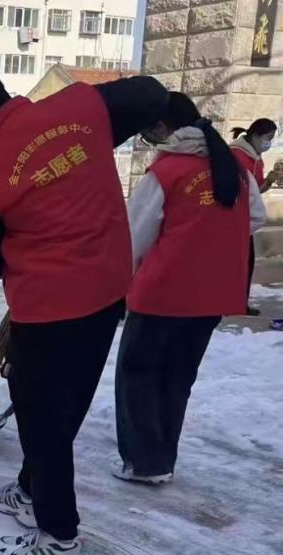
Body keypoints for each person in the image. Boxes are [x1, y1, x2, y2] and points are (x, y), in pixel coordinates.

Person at [0, 65, 169, 555]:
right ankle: (29, 489)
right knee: (69, 403)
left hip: (48, 308)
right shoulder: (79, 108)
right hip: (107, 291)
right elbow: (152, 94)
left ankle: (59, 537)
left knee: (41, 419)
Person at [114, 94, 266, 484]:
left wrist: (118, 283)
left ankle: (144, 463)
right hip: (211, 296)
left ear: (162, 127)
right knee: (177, 378)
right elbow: (255, 217)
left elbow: (134, 236)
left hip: (161, 293)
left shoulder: (167, 171)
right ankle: (163, 459)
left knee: (138, 374)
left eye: (149, 133)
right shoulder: (235, 167)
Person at [229, 118, 277, 315]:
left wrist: (269, 181)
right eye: (268, 138)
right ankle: (230, 303)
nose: (269, 143)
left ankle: (239, 303)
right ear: (255, 135)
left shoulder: (256, 157)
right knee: (236, 263)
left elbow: (254, 190)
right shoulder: (237, 155)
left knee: (246, 262)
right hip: (232, 216)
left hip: (246, 217)